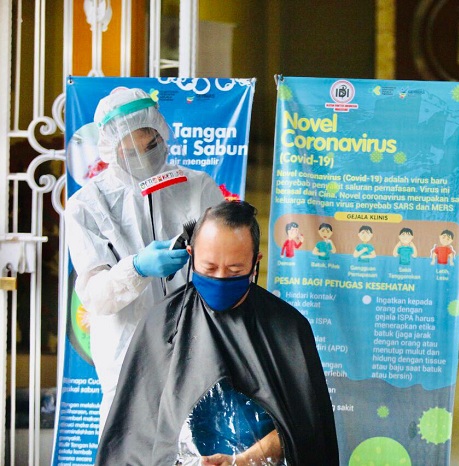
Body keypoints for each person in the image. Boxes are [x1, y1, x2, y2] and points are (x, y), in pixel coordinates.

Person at [95, 201, 339, 466]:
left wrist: (244, 460)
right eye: (209, 268)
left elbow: (308, 432)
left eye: (235, 270)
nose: (221, 278)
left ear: (255, 262)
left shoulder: (288, 329)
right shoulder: (163, 325)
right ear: (191, 255)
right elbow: (134, 439)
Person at [65, 87, 224, 433]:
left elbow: (225, 260)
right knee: (128, 446)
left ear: (162, 134)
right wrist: (136, 268)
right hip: (127, 355)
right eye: (130, 150)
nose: (143, 157)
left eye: (151, 145)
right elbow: (96, 297)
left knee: (195, 445)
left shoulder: (197, 186)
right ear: (110, 149)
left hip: (194, 349)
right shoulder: (87, 207)